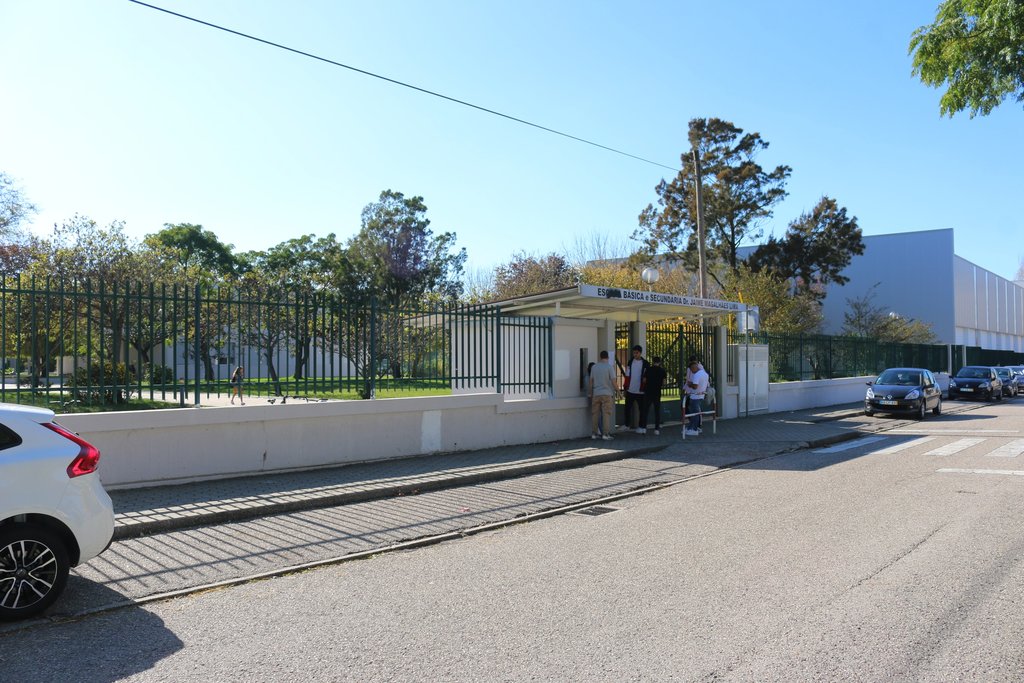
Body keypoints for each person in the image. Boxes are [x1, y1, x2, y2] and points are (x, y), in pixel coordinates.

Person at [588, 351, 616, 441]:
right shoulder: (609, 367)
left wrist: (590, 393)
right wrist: (619, 392)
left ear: (600, 357)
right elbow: (613, 382)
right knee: (606, 414)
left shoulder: (594, 367)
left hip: (596, 393)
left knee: (595, 414)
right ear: (607, 357)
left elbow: (591, 381)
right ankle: (605, 434)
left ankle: (594, 433)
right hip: (607, 394)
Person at [622, 345, 650, 433]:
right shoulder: (630, 362)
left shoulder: (645, 363)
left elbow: (648, 375)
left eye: (636, 353)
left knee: (642, 409)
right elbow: (627, 375)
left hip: (641, 391)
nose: (635, 354)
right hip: (630, 390)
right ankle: (627, 424)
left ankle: (642, 426)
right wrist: (625, 388)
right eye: (634, 353)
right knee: (627, 408)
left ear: (640, 353)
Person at [640, 356, 667, 435]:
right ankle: (656, 429)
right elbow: (664, 383)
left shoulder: (648, 369)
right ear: (660, 362)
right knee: (657, 411)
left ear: (652, 361)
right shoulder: (662, 371)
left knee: (645, 410)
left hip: (648, 392)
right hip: (657, 392)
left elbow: (644, 380)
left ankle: (644, 428)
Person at [683, 357, 709, 436]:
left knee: (695, 413)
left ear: (693, 368)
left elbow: (695, 386)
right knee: (694, 413)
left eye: (691, 370)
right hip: (700, 395)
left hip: (695, 396)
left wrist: (690, 384)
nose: (691, 372)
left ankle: (694, 429)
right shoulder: (704, 373)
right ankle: (691, 427)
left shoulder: (697, 375)